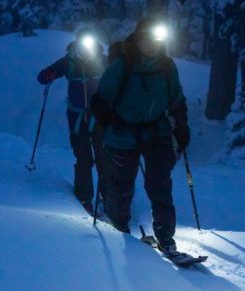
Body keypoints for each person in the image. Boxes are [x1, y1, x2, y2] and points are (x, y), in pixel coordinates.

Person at [90, 18, 191, 254]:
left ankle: (166, 236)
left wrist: (181, 127)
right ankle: (119, 231)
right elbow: (101, 100)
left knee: (159, 185)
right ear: (138, 41)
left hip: (157, 133)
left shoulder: (166, 67)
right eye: (146, 40)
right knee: (122, 185)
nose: (151, 45)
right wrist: (108, 121)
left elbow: (177, 100)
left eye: (155, 41)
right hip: (123, 135)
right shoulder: (121, 67)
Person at [37, 28, 108, 213]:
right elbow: (43, 76)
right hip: (77, 117)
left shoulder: (102, 60)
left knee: (103, 156)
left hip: (99, 116)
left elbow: (118, 76)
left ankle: (108, 196)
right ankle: (85, 198)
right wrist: (48, 75)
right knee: (83, 157)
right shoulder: (69, 61)